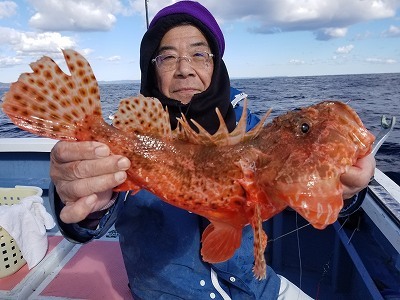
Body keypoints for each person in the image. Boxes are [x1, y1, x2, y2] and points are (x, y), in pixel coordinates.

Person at [49, 1, 376, 299]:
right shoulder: (126, 136)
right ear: (152, 69)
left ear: (216, 64)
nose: (184, 68)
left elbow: (311, 194)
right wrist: (86, 198)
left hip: (258, 290)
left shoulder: (250, 130)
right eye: (167, 57)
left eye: (198, 54)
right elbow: (85, 222)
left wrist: (345, 188)